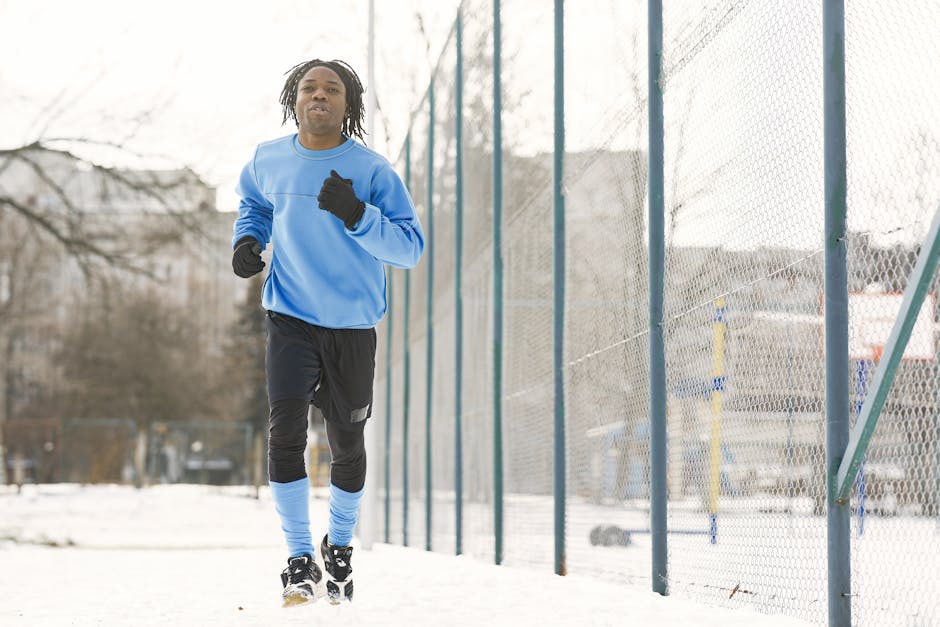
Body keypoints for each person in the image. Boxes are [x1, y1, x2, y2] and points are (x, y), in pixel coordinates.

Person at [231, 58, 424, 606]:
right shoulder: (268, 160)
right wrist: (247, 240)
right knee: (285, 432)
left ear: (348, 104)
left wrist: (357, 214)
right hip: (289, 315)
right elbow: (254, 205)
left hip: (352, 325)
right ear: (294, 99)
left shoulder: (372, 171)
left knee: (346, 442)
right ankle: (299, 558)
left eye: (332, 89)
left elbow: (409, 248)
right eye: (309, 87)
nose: (319, 95)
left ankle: (338, 547)